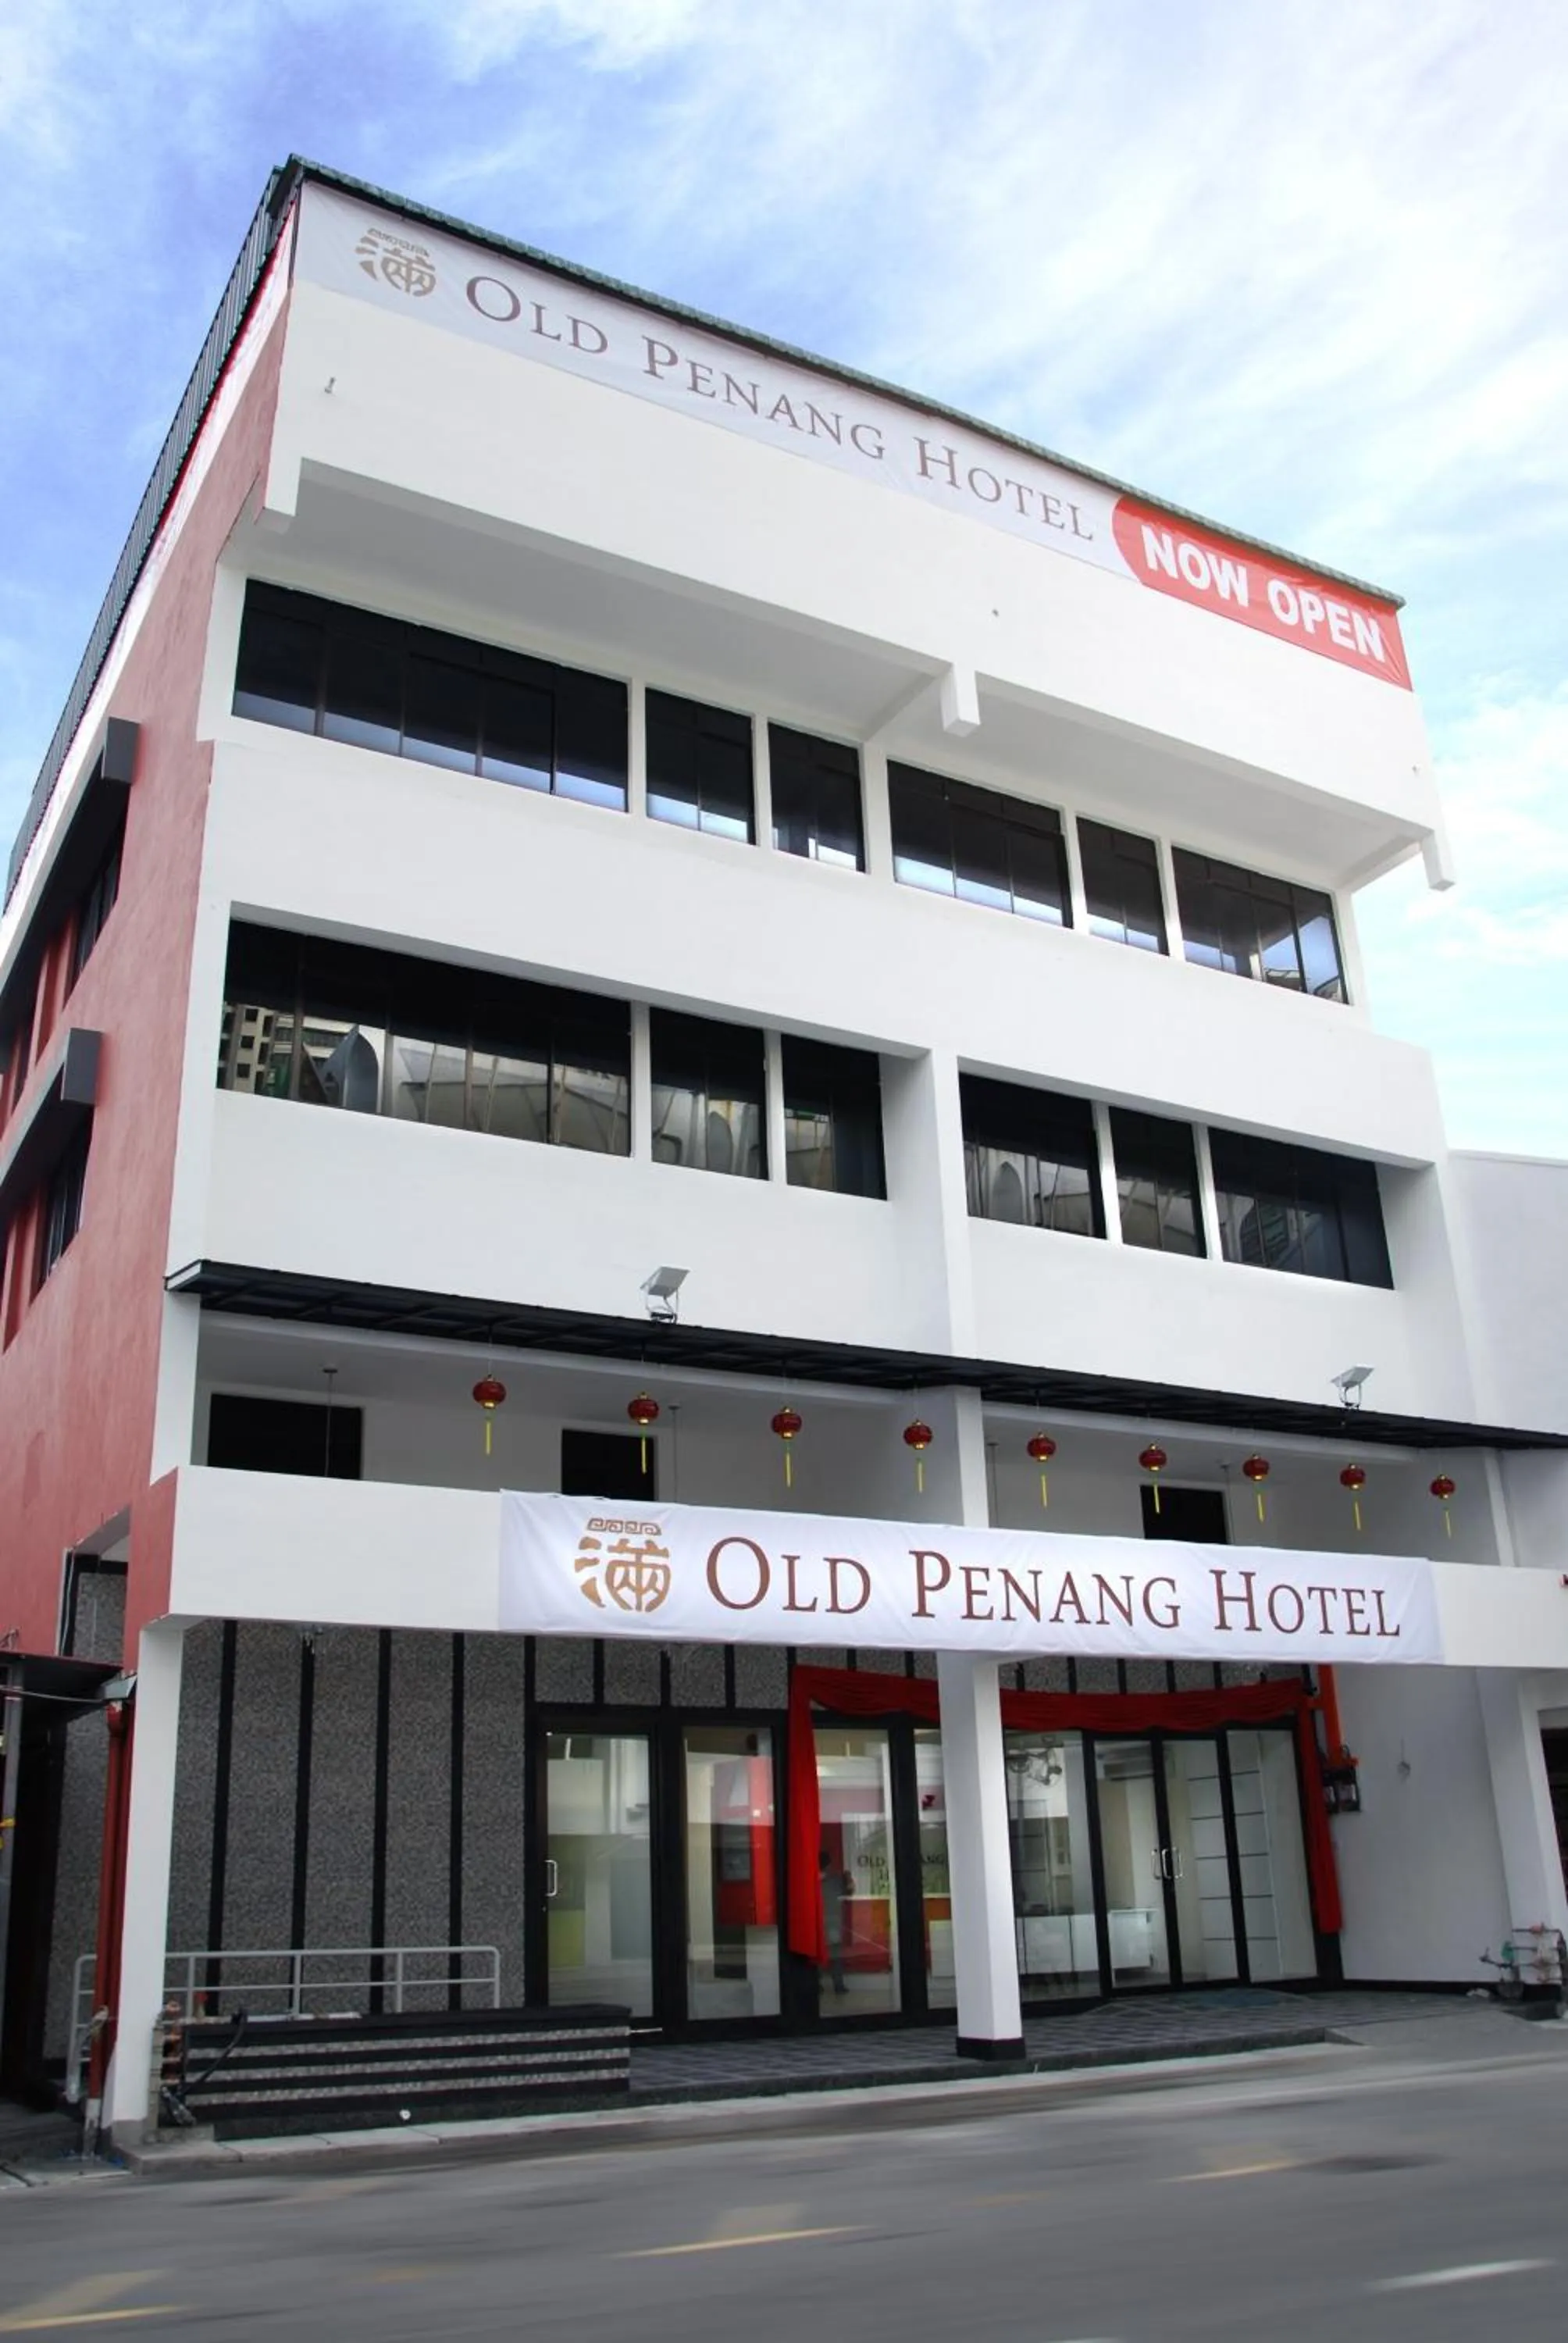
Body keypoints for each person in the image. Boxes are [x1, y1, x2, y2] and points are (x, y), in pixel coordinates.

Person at [819, 1847, 853, 1995]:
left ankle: (816, 1984)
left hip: (817, 1923)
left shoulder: (809, 1879)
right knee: (836, 1957)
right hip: (833, 1922)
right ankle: (838, 1986)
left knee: (816, 1956)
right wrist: (848, 1877)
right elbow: (850, 1891)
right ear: (829, 1864)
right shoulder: (836, 1879)